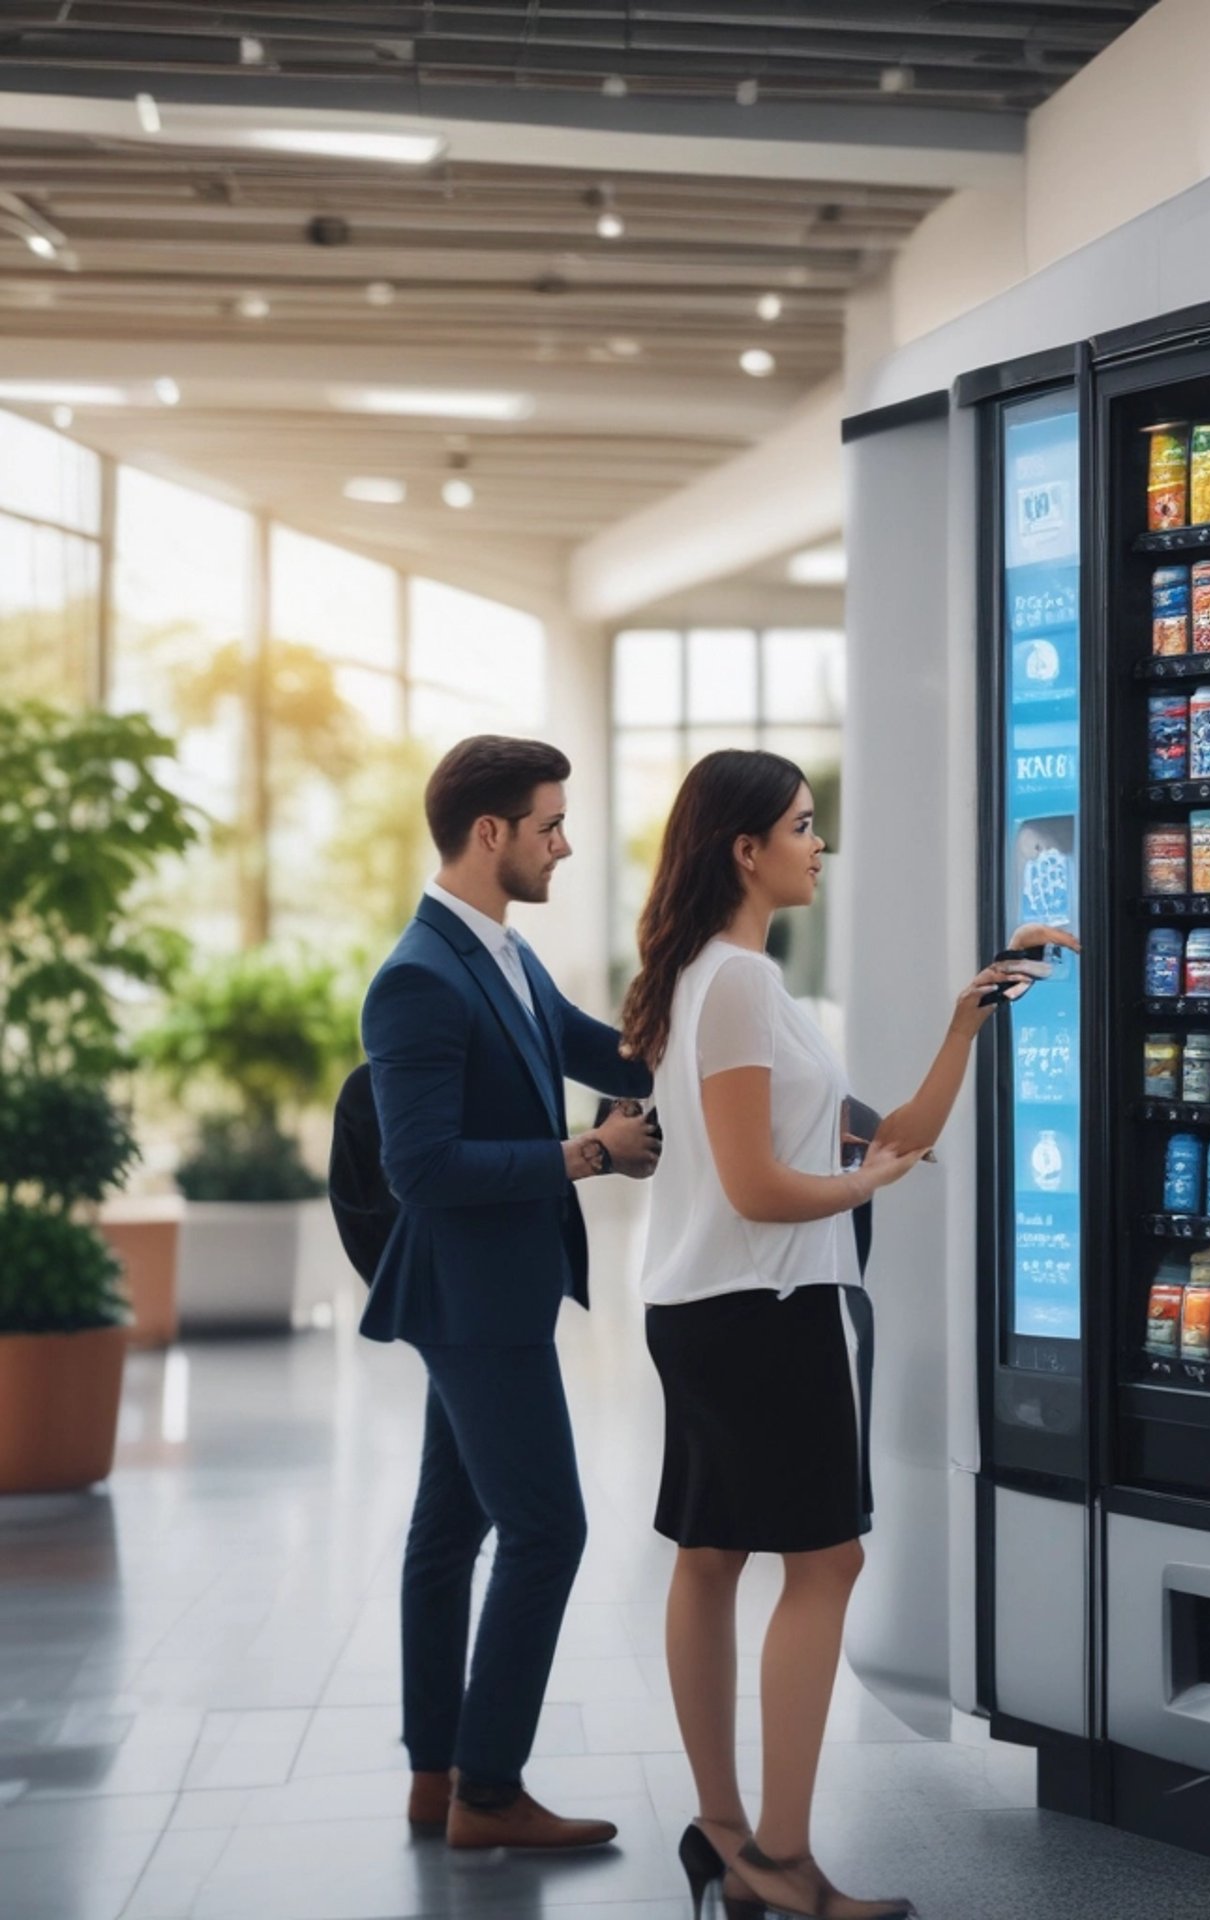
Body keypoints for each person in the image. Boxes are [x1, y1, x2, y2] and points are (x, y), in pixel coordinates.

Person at [619, 748, 1077, 1920]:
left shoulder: (703, 979)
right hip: (774, 1309)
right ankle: (780, 1862)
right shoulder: (740, 985)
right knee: (826, 1563)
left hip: (704, 1308)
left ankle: (728, 1840)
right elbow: (763, 1186)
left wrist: (965, 1023)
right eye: (802, 825)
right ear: (746, 850)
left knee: (711, 1556)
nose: (818, 845)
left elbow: (891, 1135)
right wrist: (863, 1186)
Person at [360, 735, 661, 1851]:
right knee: (548, 1531)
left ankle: (434, 1778)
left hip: (490, 1295)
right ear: (490, 833)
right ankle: (488, 1793)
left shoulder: (499, 949)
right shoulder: (418, 978)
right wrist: (588, 1155)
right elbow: (420, 1168)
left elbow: (596, 1050)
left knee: (449, 1532)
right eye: (550, 825)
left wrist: (705, 1036)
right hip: (473, 1300)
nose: (564, 845)